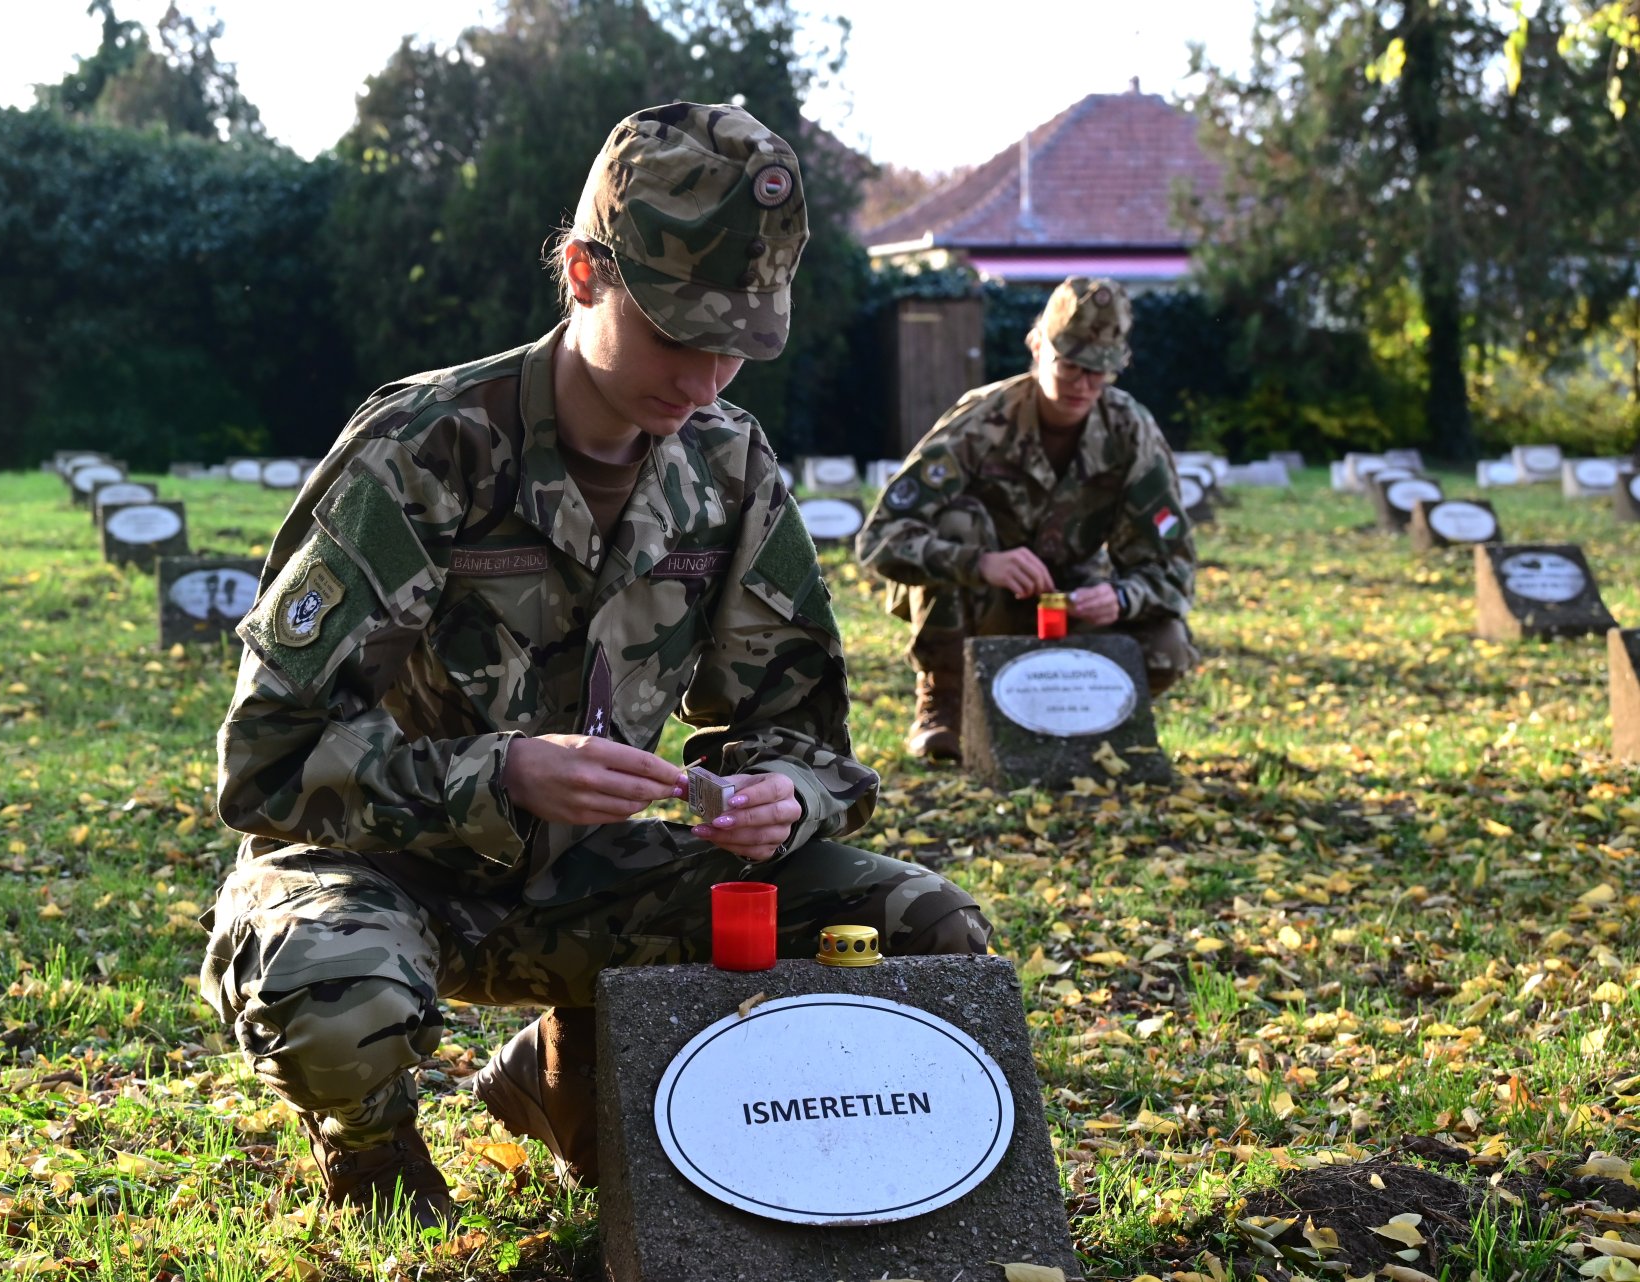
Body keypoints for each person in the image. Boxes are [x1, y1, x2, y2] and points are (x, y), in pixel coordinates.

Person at [197, 102, 991, 1227]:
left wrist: (782, 796)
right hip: (387, 870)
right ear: (582, 273)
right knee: (335, 995)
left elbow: (804, 738)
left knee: (925, 934)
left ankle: (581, 1070)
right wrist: (502, 773)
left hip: (597, 878)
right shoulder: (424, 449)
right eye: (678, 335)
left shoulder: (727, 465)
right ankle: (373, 1154)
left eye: (743, 344)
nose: (709, 379)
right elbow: (265, 764)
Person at [856, 277, 1198, 762]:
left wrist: (1122, 597)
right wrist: (980, 563)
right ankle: (946, 702)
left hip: (1072, 608)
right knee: (956, 521)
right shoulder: (981, 422)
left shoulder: (1131, 433)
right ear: (1038, 346)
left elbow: (1176, 569)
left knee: (1169, 643)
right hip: (983, 604)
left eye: (1100, 373)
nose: (1084, 385)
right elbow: (879, 539)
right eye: (1073, 366)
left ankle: (1082, 713)